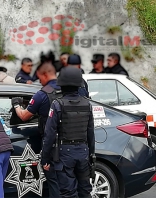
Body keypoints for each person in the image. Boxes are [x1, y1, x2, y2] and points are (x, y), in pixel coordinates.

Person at [41, 66, 95, 198]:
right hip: (83, 153)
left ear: (62, 86)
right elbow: (91, 133)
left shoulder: (57, 104)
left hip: (65, 154)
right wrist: (91, 155)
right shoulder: (87, 104)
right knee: (85, 192)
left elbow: (49, 134)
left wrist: (45, 159)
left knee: (68, 193)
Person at [11, 59, 61, 197]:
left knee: (54, 183)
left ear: (44, 74)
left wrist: (16, 105)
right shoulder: (69, 90)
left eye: (39, 77)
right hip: (72, 144)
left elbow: (23, 116)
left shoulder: (42, 94)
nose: (39, 80)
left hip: (52, 145)